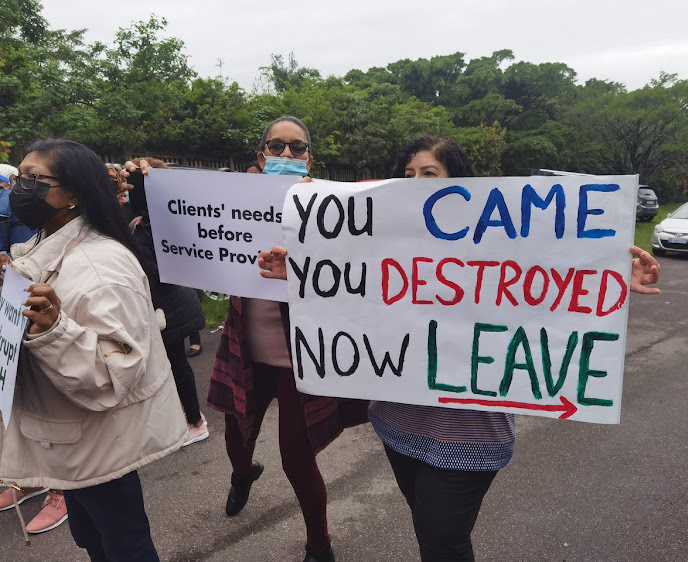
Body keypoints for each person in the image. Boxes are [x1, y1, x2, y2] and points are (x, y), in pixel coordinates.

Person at [259, 135, 661, 562]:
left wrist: (615, 274)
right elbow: (344, 286)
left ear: (460, 184)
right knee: (430, 531)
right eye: (408, 174)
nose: (416, 183)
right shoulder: (379, 246)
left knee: (442, 542)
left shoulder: (498, 243)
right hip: (398, 425)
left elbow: (552, 280)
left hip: (470, 434)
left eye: (430, 173)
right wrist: (300, 269)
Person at [0, 138, 187, 560]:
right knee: (91, 536)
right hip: (67, 440)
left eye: (35, 179)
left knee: (124, 544)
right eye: (19, 175)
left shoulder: (102, 266)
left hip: (97, 441)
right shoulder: (37, 246)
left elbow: (111, 374)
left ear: (74, 194)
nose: (20, 187)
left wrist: (53, 328)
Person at [207, 117, 367, 562]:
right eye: (276, 147)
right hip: (246, 347)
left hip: (300, 356)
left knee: (297, 456)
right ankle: (243, 473)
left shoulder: (334, 209)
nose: (287, 155)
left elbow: (356, 274)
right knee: (236, 435)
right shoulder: (229, 206)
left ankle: (319, 544)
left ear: (310, 159)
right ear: (261, 156)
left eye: (298, 148)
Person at [124, 156, 209, 446]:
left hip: (169, 305)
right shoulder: (138, 219)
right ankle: (181, 418)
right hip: (158, 304)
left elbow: (168, 271)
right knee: (166, 365)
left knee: (176, 363)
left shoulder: (169, 220)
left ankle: (195, 421)